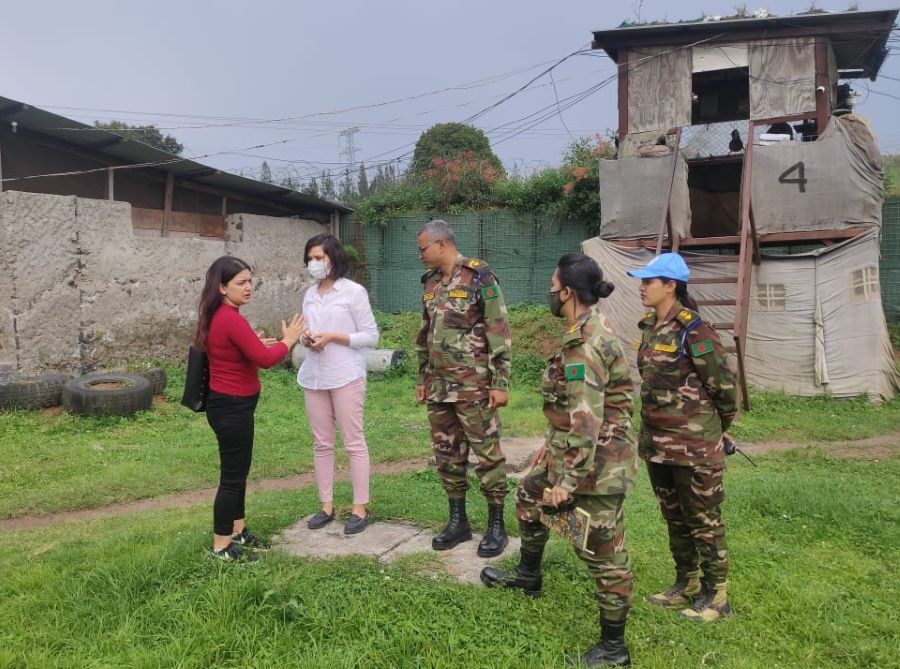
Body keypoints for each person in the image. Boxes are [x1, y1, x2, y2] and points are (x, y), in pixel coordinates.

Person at [481, 252, 637, 668]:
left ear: (567, 292)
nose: (549, 293)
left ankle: (614, 648)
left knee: (603, 553)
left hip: (598, 463)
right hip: (567, 449)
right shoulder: (579, 331)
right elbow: (568, 414)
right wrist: (549, 453)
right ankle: (529, 575)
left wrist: (567, 483)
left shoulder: (586, 343)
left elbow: (586, 420)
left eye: (552, 286)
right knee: (529, 497)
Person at [626, 252, 738, 623]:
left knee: (703, 519)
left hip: (694, 447)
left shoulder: (695, 329)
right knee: (674, 517)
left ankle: (717, 596)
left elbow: (723, 387)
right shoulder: (650, 327)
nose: (642, 287)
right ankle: (686, 584)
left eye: (649, 281)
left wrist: (713, 430)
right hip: (658, 444)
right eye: (642, 281)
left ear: (670, 286)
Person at [195, 256, 305, 562]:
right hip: (231, 407)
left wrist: (256, 342)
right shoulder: (230, 318)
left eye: (250, 281)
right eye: (241, 283)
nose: (248, 288)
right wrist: (289, 340)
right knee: (232, 477)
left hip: (232, 405)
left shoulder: (222, 315)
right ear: (221, 287)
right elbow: (267, 360)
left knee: (239, 473)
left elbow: (241, 352)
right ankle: (221, 546)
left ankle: (239, 530)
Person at [414, 219, 512, 557]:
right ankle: (459, 522)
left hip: (475, 386)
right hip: (440, 387)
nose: (420, 256)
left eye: (423, 248)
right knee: (447, 455)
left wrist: (500, 382)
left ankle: (496, 525)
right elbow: (425, 334)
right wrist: (423, 377)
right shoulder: (429, 283)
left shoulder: (479, 275)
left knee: (487, 455)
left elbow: (498, 328)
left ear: (442, 244)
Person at [298, 233, 379, 535]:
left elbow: (370, 336)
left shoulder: (353, 292)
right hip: (314, 375)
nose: (314, 263)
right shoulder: (309, 294)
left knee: (353, 441)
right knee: (321, 443)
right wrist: (309, 339)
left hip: (346, 374)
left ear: (334, 258)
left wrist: (333, 337)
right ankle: (326, 505)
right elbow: (309, 331)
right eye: (310, 258)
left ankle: (359, 507)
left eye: (319, 257)